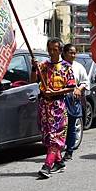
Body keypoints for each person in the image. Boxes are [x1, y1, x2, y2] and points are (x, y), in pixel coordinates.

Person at [31, 38, 76, 179]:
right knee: (47, 136)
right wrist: (34, 67)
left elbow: (71, 86)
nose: (51, 52)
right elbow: (33, 80)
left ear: (60, 50)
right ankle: (58, 161)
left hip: (58, 108)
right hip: (44, 106)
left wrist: (55, 93)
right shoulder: (44, 65)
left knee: (55, 137)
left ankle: (47, 166)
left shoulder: (66, 67)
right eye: (49, 49)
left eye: (55, 49)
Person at [61, 43, 90, 161]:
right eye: (70, 53)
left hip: (73, 100)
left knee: (72, 125)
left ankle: (69, 151)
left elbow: (85, 82)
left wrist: (79, 89)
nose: (73, 55)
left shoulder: (78, 67)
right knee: (60, 127)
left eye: (74, 53)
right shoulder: (58, 66)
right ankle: (57, 150)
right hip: (60, 99)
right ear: (64, 53)